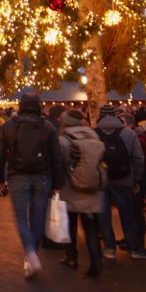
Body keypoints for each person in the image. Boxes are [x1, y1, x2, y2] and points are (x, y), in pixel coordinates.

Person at [0, 93, 64, 278]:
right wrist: (58, 183)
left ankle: (30, 252)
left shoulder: (9, 126)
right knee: (38, 217)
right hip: (42, 177)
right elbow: (57, 158)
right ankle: (32, 255)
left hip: (18, 176)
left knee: (21, 217)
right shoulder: (47, 127)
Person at [95, 105, 146, 260]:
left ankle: (109, 248)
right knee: (127, 215)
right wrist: (137, 179)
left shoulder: (93, 133)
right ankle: (135, 248)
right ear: (116, 115)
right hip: (124, 178)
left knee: (104, 214)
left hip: (101, 180)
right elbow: (139, 158)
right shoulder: (128, 133)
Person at [57, 109, 106, 277]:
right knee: (90, 226)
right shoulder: (93, 136)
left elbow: (59, 163)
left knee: (70, 224)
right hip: (92, 186)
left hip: (71, 187)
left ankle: (71, 256)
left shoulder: (63, 140)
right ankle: (96, 261)